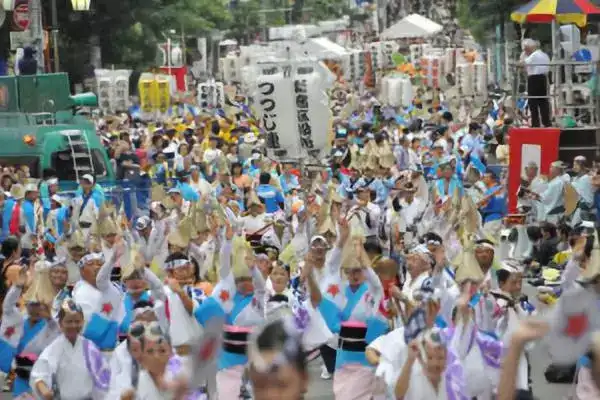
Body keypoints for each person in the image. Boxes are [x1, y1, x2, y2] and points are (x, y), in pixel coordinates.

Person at [520, 39, 551, 127]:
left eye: (526, 49)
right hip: (544, 78)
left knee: (533, 102)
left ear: (529, 47)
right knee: (543, 101)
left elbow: (522, 64)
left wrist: (522, 58)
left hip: (534, 79)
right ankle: (546, 122)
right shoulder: (545, 55)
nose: (525, 51)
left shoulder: (534, 55)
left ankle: (535, 123)